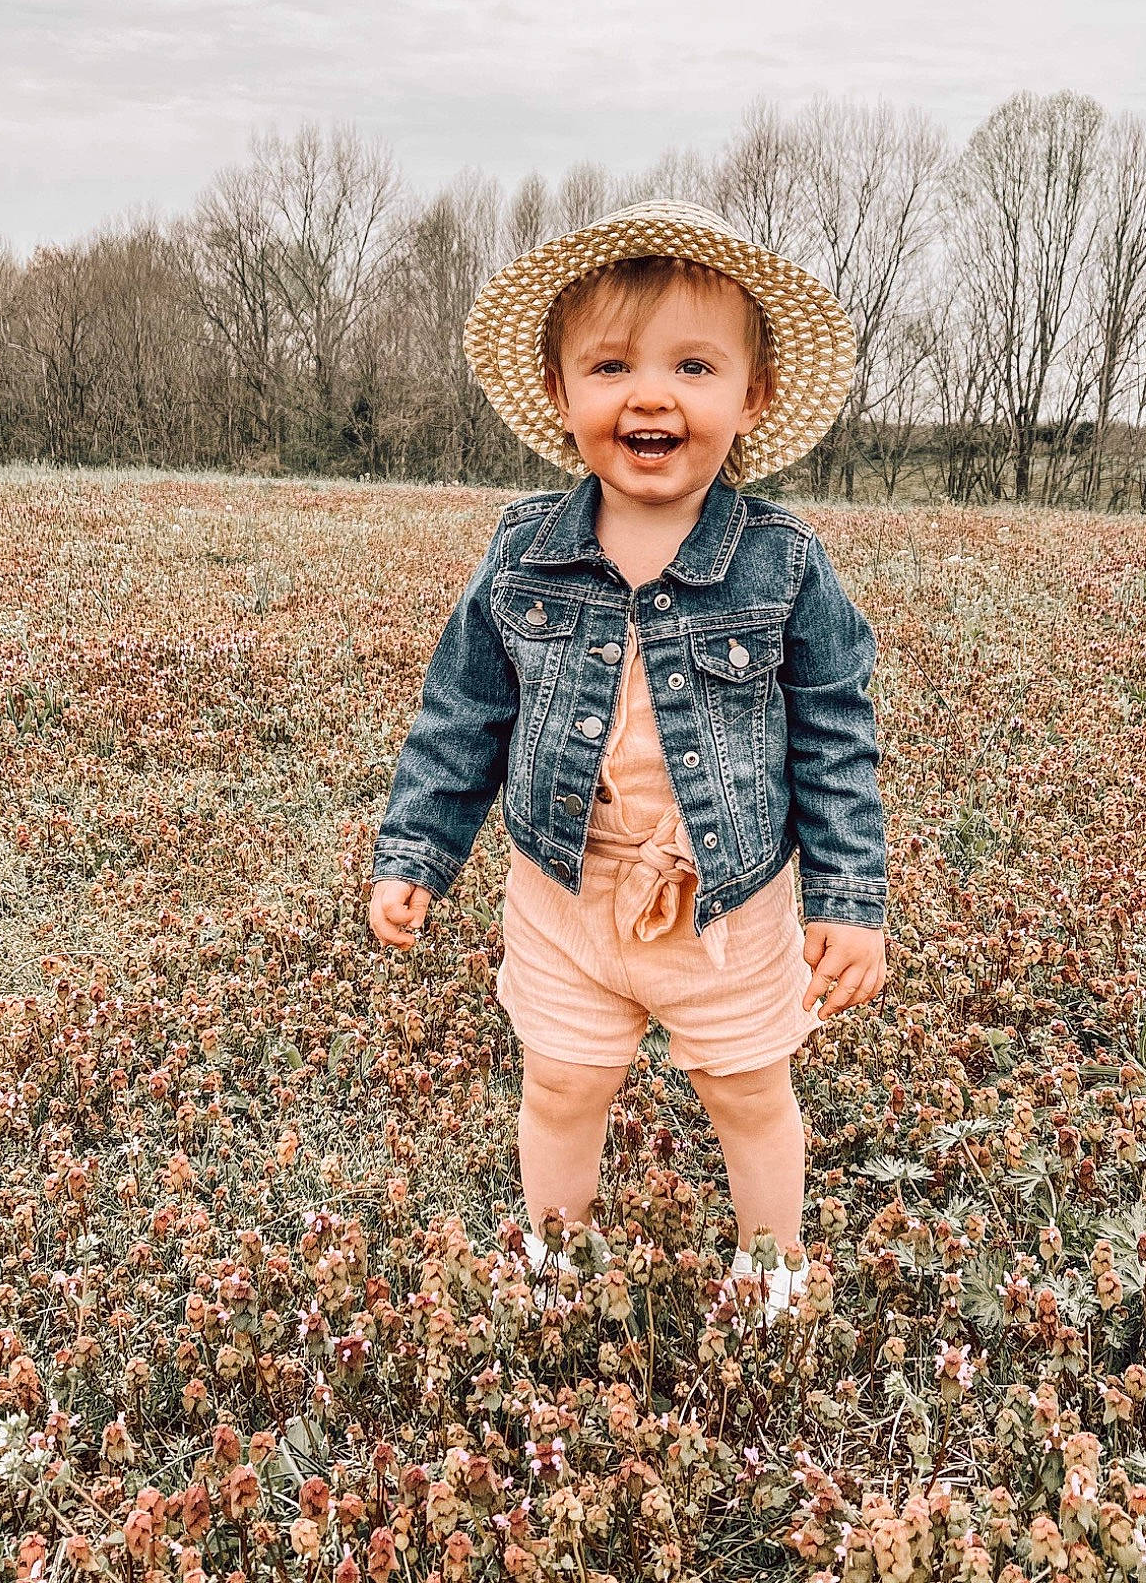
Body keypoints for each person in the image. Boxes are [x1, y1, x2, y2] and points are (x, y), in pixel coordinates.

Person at [368, 199, 889, 1319]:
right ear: (562, 396)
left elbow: (836, 728)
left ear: (750, 398)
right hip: (563, 888)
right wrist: (416, 848)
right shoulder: (524, 552)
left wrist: (850, 898)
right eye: (610, 364)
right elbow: (461, 711)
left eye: (693, 365)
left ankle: (772, 1277)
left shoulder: (783, 560)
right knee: (563, 1081)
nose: (651, 394)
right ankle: (561, 1266)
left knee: (749, 1088)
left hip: (730, 900)